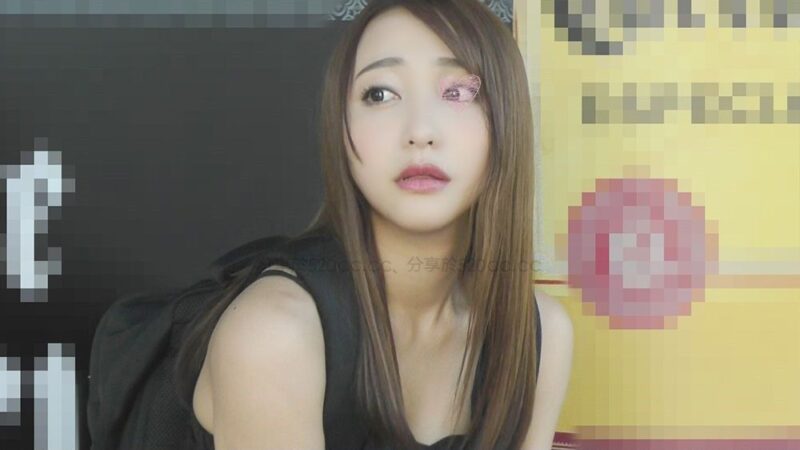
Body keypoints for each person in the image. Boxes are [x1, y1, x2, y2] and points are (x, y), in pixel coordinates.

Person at [174, 0, 574, 449]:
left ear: (507, 119)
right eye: (380, 94)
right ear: (339, 128)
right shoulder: (274, 334)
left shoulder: (539, 335)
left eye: (458, 92)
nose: (420, 131)